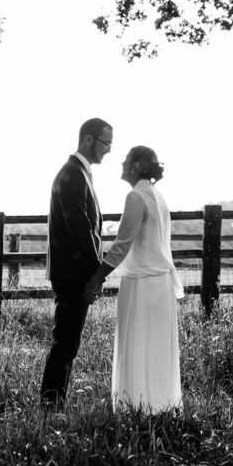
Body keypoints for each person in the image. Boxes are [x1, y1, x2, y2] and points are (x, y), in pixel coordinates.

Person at [84, 146, 183, 414]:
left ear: (137, 165)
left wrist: (95, 279)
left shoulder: (136, 196)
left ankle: (135, 407)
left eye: (126, 160)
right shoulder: (157, 196)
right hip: (160, 284)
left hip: (142, 284)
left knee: (138, 346)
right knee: (157, 349)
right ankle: (159, 406)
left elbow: (122, 245)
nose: (121, 164)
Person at [39, 118, 114, 410]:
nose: (108, 150)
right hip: (72, 274)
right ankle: (50, 407)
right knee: (65, 343)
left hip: (74, 273)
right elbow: (80, 231)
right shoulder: (73, 174)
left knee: (68, 342)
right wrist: (96, 274)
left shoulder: (81, 173)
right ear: (88, 140)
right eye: (106, 143)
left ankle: (53, 404)